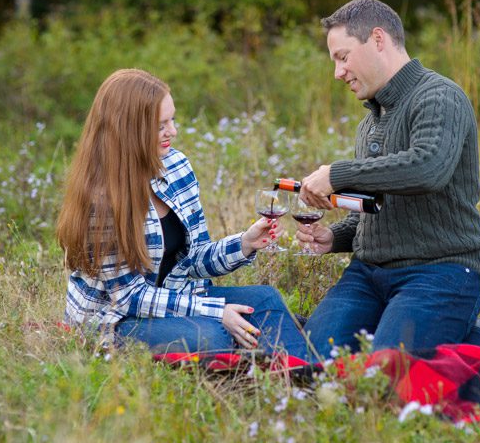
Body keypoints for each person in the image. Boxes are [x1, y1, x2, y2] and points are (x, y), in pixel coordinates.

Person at [57, 68, 312, 360]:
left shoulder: (176, 167)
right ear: (128, 130)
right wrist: (217, 313)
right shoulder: (101, 199)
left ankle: (308, 377)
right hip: (117, 320)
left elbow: (195, 259)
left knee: (266, 299)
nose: (173, 132)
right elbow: (128, 298)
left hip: (178, 298)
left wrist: (244, 244)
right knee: (212, 334)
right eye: (160, 125)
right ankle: (263, 345)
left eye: (172, 120)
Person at [295, 0, 480, 358]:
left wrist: (338, 174)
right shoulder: (370, 121)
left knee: (387, 375)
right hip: (367, 274)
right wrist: (333, 237)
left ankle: (469, 337)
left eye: (342, 57)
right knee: (308, 361)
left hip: (440, 273)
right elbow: (374, 207)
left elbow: (426, 168)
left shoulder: (439, 96)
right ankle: (432, 331)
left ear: (377, 39)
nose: (338, 72)